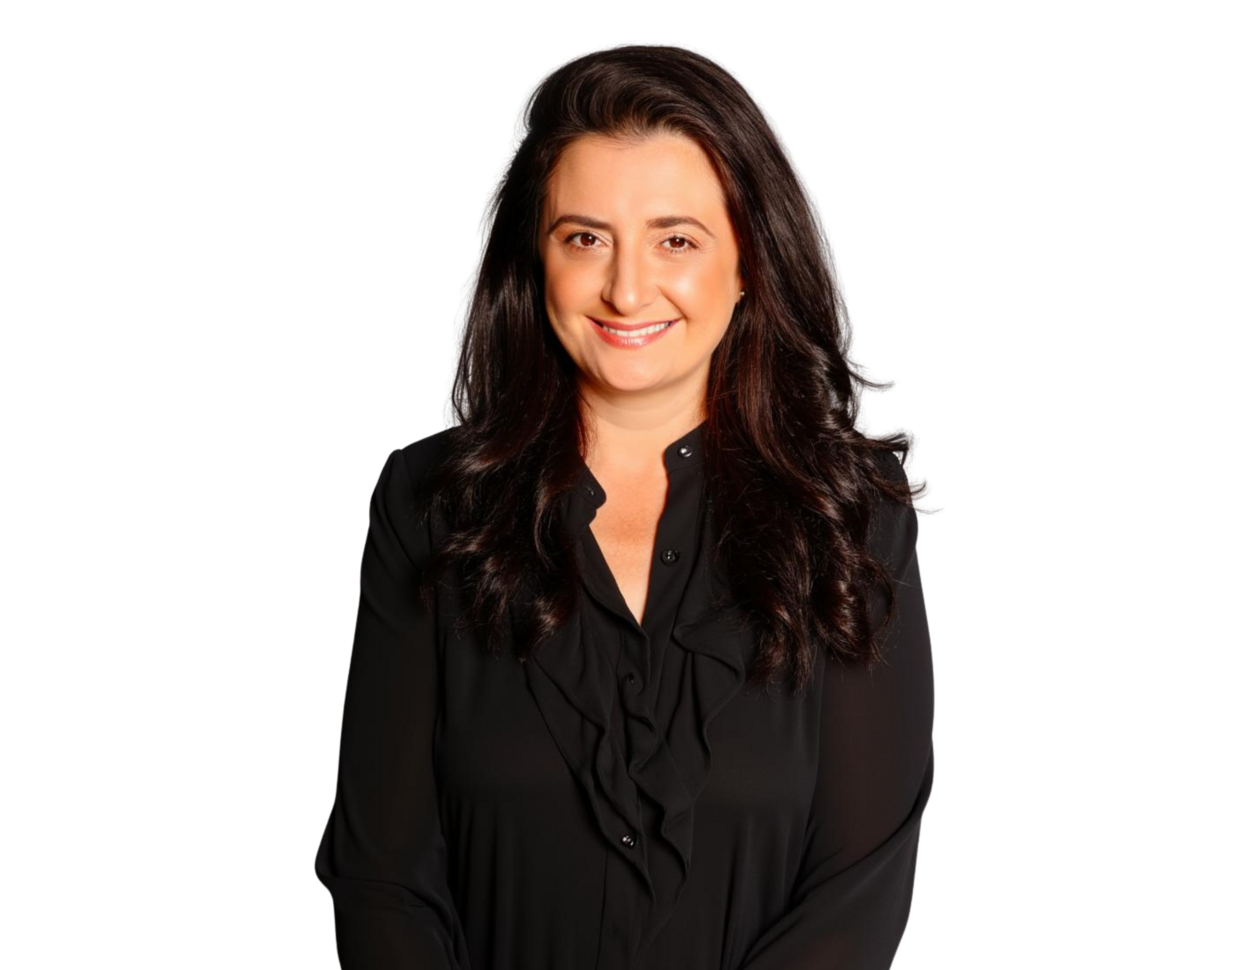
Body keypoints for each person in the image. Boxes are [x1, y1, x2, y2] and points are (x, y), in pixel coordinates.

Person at [313, 40, 938, 970]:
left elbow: (859, 887)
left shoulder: (856, 523)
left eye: (676, 239)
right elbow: (382, 879)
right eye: (586, 237)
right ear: (538, 256)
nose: (626, 288)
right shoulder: (427, 502)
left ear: (748, 260)